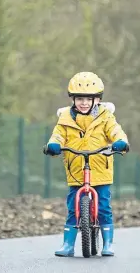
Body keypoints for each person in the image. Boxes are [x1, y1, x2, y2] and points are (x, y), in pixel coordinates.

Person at [44, 72, 130, 257]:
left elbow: (115, 131)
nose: (83, 103)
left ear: (97, 99)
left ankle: (108, 243)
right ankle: (68, 245)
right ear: (72, 99)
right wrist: (54, 145)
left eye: (88, 99)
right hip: (76, 169)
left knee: (104, 206)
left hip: (100, 168)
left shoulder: (105, 116)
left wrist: (120, 141)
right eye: (79, 98)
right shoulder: (66, 118)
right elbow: (58, 134)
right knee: (72, 207)